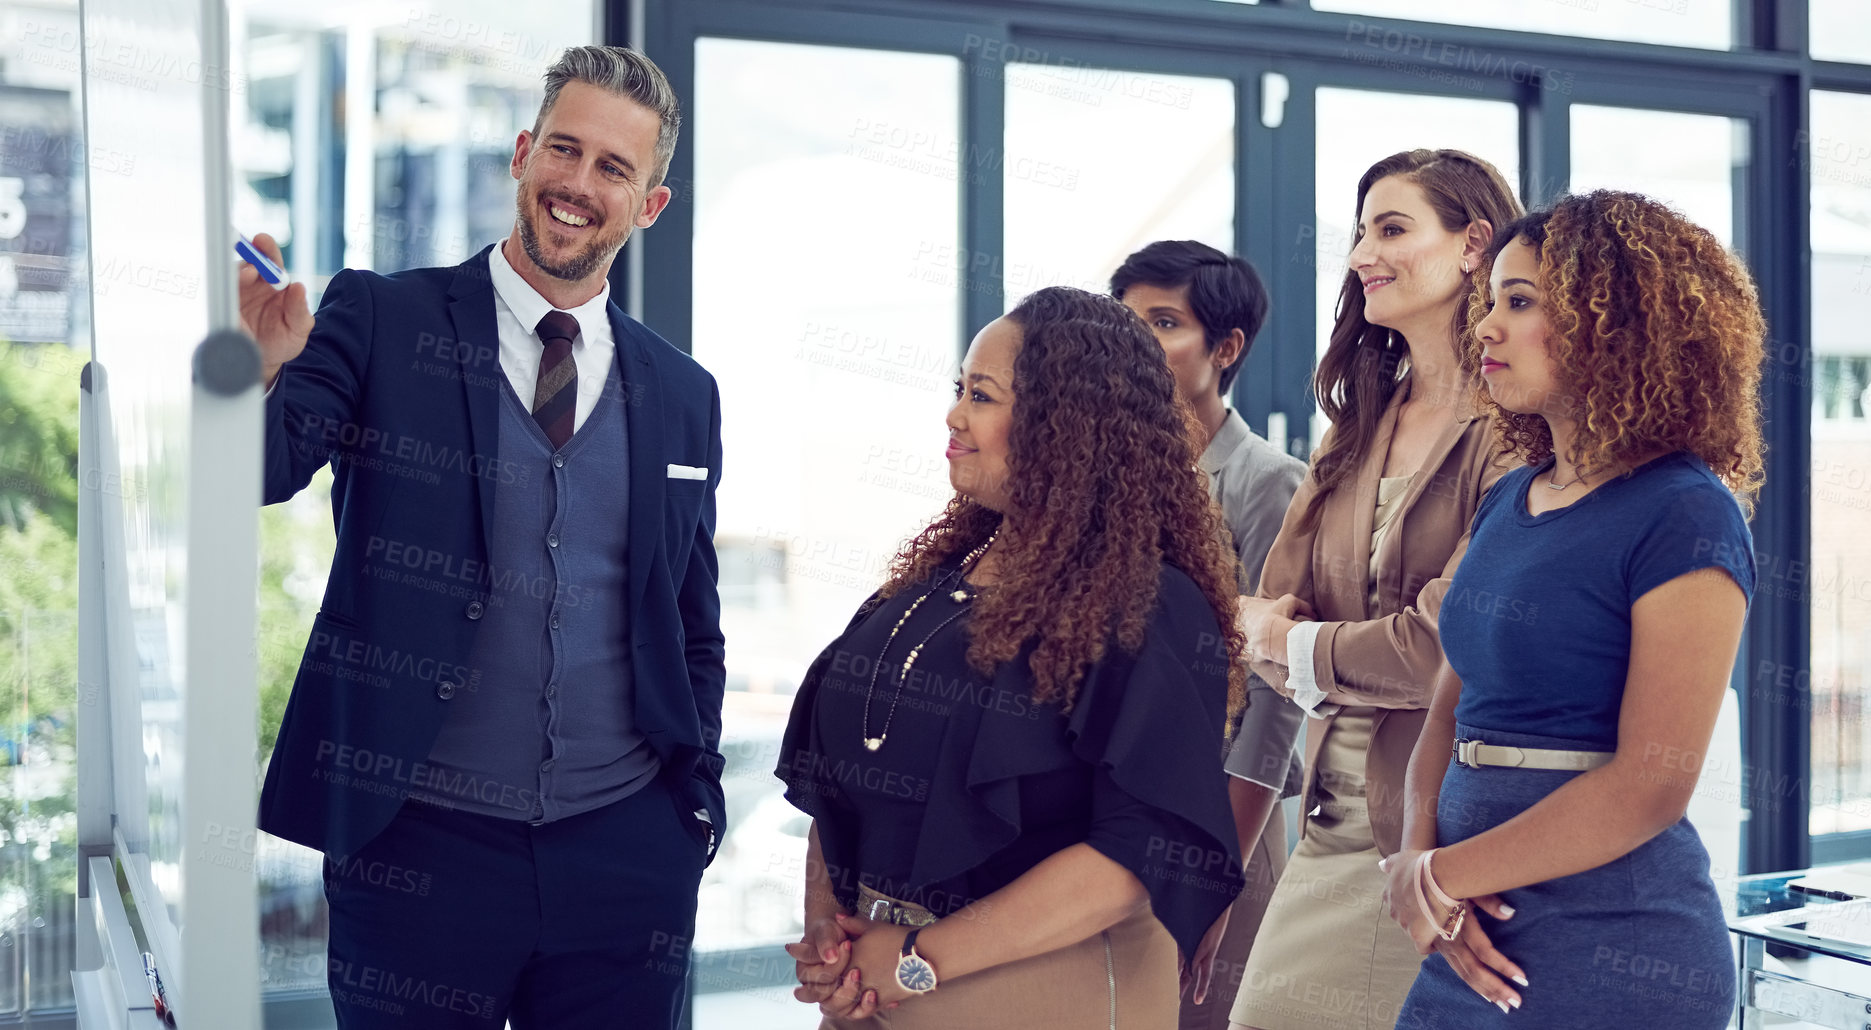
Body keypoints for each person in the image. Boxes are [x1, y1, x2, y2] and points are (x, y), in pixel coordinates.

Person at [238, 46, 723, 1029]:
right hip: (417, 849)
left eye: (613, 168)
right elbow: (263, 470)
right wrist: (255, 379)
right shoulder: (380, 315)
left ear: (649, 205)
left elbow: (689, 613)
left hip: (626, 860)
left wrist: (691, 809)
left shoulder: (683, 391)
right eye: (564, 148)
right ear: (520, 153)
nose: (578, 184)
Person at [776, 286, 1248, 1028]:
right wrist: (828, 936)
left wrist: (918, 958)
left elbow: (1137, 851)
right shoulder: (932, 586)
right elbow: (837, 781)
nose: (954, 416)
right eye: (959, 390)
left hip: (1040, 987)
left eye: (982, 395)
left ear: (1064, 426)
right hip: (877, 983)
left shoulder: (1146, 603)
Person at [1384, 190, 1761, 1028]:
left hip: (1617, 953)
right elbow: (1447, 708)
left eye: (1518, 303)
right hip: (1468, 927)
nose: (1485, 327)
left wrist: (1442, 878)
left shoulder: (1685, 512)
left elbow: (1650, 786)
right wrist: (1419, 866)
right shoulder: (1509, 498)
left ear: (1616, 326)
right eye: (1491, 303)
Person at [1227, 149, 1521, 1030]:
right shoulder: (1358, 425)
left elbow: (1444, 648)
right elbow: (1267, 617)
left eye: (1391, 229)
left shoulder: (1514, 432)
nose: (1361, 254)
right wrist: (1291, 644)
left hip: (1429, 839)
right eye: (1360, 232)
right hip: (1325, 817)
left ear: (1474, 244)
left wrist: (1291, 643)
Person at [1109, 240, 1309, 1029]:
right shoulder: (1107, 478)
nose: (1138, 343)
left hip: (1219, 820)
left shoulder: (1269, 481)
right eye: (1127, 322)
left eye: (1163, 323)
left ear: (1225, 348)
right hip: (1115, 814)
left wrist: (1214, 870)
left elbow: (1274, 699)